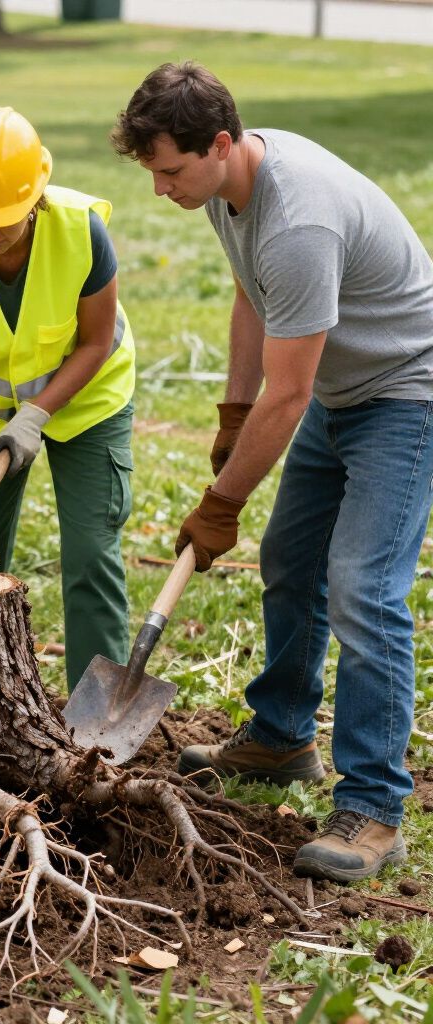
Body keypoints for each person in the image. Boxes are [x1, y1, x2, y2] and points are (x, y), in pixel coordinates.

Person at [112, 62, 433, 882]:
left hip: (406, 394)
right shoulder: (232, 189)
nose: (160, 190)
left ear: (221, 144)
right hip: (338, 388)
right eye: (151, 172)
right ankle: (283, 736)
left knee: (362, 586)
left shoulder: (299, 221)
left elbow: (287, 397)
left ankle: (373, 808)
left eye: (171, 171)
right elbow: (254, 297)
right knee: (291, 564)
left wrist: (222, 502)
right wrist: (229, 411)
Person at [0, 106, 137, 694]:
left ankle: (97, 716)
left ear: (34, 194)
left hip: (88, 402)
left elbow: (94, 342)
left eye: (2, 218)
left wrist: (38, 413)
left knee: (90, 555)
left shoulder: (81, 231)